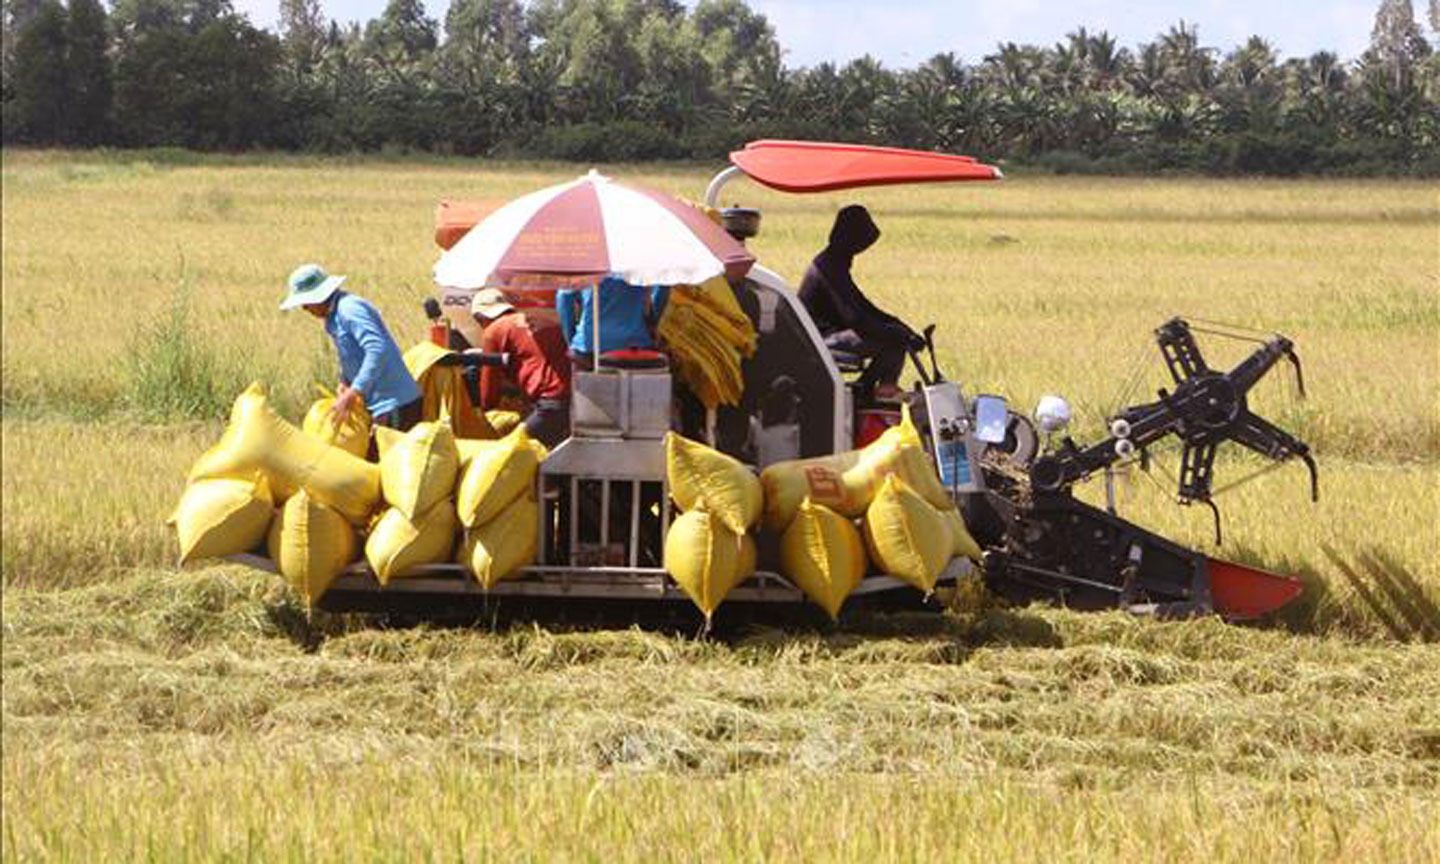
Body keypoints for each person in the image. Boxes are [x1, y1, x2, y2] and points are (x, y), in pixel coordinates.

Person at [797, 204, 924, 400]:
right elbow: (855, 317)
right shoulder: (827, 267)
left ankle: (867, 390)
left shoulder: (836, 262)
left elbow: (864, 306)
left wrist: (900, 326)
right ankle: (873, 390)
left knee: (894, 335)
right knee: (892, 340)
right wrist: (896, 332)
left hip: (831, 335)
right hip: (817, 341)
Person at [281, 263, 422, 431]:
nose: (304, 309)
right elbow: (352, 354)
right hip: (378, 406)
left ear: (318, 297)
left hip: (394, 405)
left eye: (306, 302)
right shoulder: (333, 317)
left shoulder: (349, 309)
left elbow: (377, 348)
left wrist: (354, 391)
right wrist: (345, 380)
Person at [470, 288, 572, 447]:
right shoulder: (534, 320)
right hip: (575, 399)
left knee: (513, 452)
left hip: (551, 403)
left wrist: (485, 417)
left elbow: (489, 388)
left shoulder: (494, 330)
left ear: (480, 318)